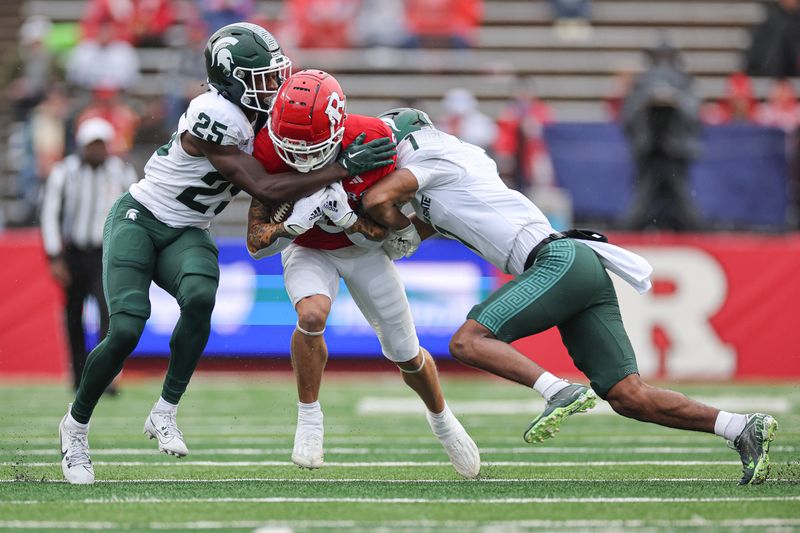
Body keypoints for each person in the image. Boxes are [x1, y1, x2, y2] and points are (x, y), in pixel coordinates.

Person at [360, 107, 779, 486]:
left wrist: (366, 210)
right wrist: (371, 228)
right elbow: (406, 234)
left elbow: (380, 199)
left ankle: (558, 390)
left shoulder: (431, 157)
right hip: (575, 264)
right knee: (627, 395)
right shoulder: (446, 175)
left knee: (467, 342)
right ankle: (740, 427)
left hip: (556, 260)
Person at [57, 23, 397, 485]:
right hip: (142, 217)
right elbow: (264, 185)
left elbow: (296, 157)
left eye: (277, 75)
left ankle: (165, 411)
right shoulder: (213, 114)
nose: (275, 87)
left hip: (190, 228)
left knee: (199, 298)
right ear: (230, 80)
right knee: (127, 327)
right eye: (262, 78)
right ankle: (75, 429)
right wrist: (340, 168)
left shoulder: (264, 115)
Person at [246, 70, 480, 479]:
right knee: (312, 315)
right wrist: (294, 226)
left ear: (336, 129)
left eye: (311, 147)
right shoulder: (266, 146)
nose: (299, 156)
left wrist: (349, 220)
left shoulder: (372, 140)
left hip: (363, 252)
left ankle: (442, 419)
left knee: (407, 354)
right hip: (309, 249)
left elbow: (385, 234)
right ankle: (309, 419)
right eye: (290, 147)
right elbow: (256, 239)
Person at [41, 118, 138, 391]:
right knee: (74, 314)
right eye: (91, 145)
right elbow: (49, 215)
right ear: (82, 146)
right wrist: (54, 257)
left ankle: (107, 375)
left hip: (107, 254)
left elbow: (134, 212)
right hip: (74, 252)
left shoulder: (121, 172)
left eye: (101, 144)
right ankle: (78, 374)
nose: (96, 150)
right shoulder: (64, 172)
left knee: (109, 313)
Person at [621, 41, 704, 231]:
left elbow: (694, 116)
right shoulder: (640, 85)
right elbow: (628, 117)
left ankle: (698, 230)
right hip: (650, 150)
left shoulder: (685, 84)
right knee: (642, 197)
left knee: (682, 197)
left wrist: (675, 102)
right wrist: (647, 105)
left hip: (675, 152)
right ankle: (628, 230)